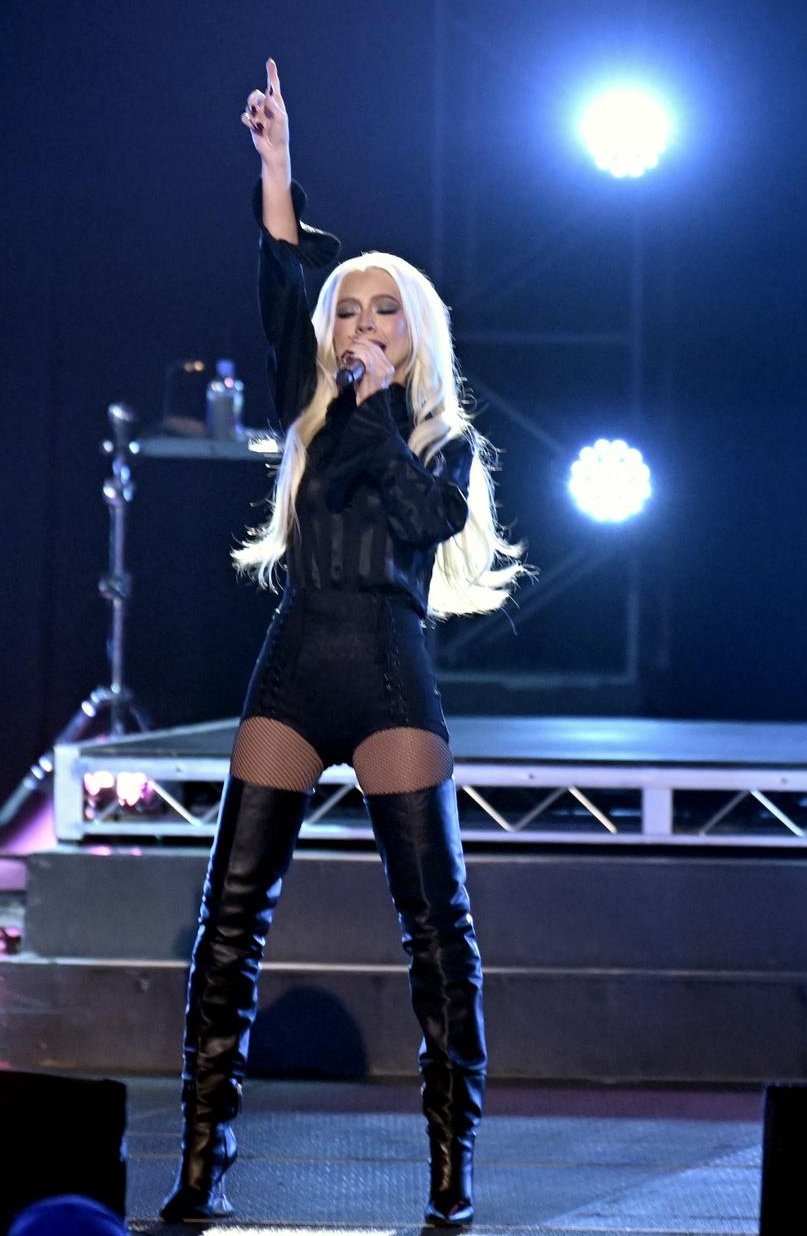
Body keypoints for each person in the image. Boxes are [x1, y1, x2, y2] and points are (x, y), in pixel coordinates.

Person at [161, 60, 526, 1227]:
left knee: (436, 929)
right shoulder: (312, 408)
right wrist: (274, 171)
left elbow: (429, 521)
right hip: (294, 658)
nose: (362, 322)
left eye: (384, 310)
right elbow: (282, 274)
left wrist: (369, 416)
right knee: (229, 919)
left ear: (416, 334)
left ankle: (451, 1166)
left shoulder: (442, 440)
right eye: (349, 309)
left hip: (386, 667)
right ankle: (202, 1162)